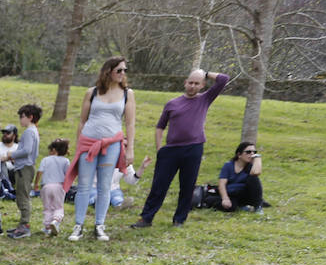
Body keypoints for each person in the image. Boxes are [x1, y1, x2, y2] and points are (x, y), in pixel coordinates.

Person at [132, 67, 230, 228]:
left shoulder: (205, 99)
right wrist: (159, 149)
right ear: (185, 83)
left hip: (194, 149)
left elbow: (224, 79)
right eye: (190, 82)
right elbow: (160, 127)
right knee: (159, 185)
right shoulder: (172, 103)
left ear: (202, 85)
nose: (192, 86)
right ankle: (146, 218)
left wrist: (204, 73)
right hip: (170, 150)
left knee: (187, 186)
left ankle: (179, 219)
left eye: (196, 83)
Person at [63, 58, 135, 242]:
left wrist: (130, 149)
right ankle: (78, 225)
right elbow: (82, 121)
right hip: (89, 143)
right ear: (108, 71)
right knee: (84, 185)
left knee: (105, 185)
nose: (122, 74)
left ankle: (99, 226)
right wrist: (79, 144)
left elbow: (130, 123)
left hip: (111, 144)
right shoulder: (92, 93)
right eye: (119, 70)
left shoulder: (127, 94)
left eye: (124, 70)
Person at [3, 105, 41, 237]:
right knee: (20, 196)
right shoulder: (32, 131)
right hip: (24, 167)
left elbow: (27, 150)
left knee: (23, 197)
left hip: (24, 169)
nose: (20, 119)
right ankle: (22, 225)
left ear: (30, 117)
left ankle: (25, 226)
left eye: (22, 116)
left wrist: (11, 155)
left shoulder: (29, 132)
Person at [217, 142, 264, 212]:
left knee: (253, 178)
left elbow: (256, 173)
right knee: (229, 207)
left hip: (245, 194)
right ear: (239, 155)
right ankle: (241, 207)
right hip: (231, 194)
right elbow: (222, 184)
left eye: (254, 152)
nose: (252, 154)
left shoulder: (251, 166)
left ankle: (258, 207)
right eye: (248, 152)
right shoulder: (228, 165)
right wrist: (225, 198)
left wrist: (257, 158)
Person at [38, 138, 71, 236]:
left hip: (46, 186)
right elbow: (68, 174)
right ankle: (56, 220)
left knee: (47, 208)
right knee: (58, 207)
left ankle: (47, 227)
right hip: (59, 186)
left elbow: (40, 172)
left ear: (54, 150)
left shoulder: (45, 160)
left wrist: (36, 184)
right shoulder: (65, 161)